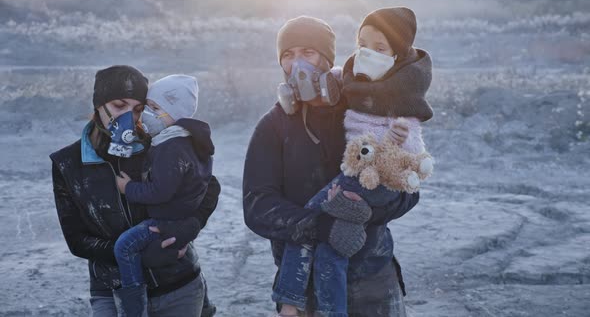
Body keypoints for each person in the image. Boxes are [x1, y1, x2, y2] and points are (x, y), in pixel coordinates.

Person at [242, 16, 421, 317]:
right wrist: (321, 227)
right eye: (288, 55)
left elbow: (408, 189)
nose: (298, 64)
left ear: (327, 59)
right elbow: (258, 206)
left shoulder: (366, 113)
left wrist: (362, 213)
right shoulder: (272, 126)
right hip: (305, 287)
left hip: (374, 279)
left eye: (308, 53)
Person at [50, 65, 219, 317]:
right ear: (99, 105)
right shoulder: (68, 163)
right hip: (112, 292)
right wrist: (139, 254)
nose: (130, 116)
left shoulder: (160, 144)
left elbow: (209, 187)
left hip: (178, 284)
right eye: (120, 106)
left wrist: (189, 226)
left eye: (138, 109)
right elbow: (76, 239)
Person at [112, 74, 215, 316]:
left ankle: (134, 309)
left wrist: (129, 189)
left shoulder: (171, 146)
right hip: (174, 220)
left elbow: (162, 191)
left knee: (125, 246)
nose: (146, 113)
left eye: (154, 108)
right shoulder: (185, 141)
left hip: (165, 221)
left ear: (175, 113)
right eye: (146, 107)